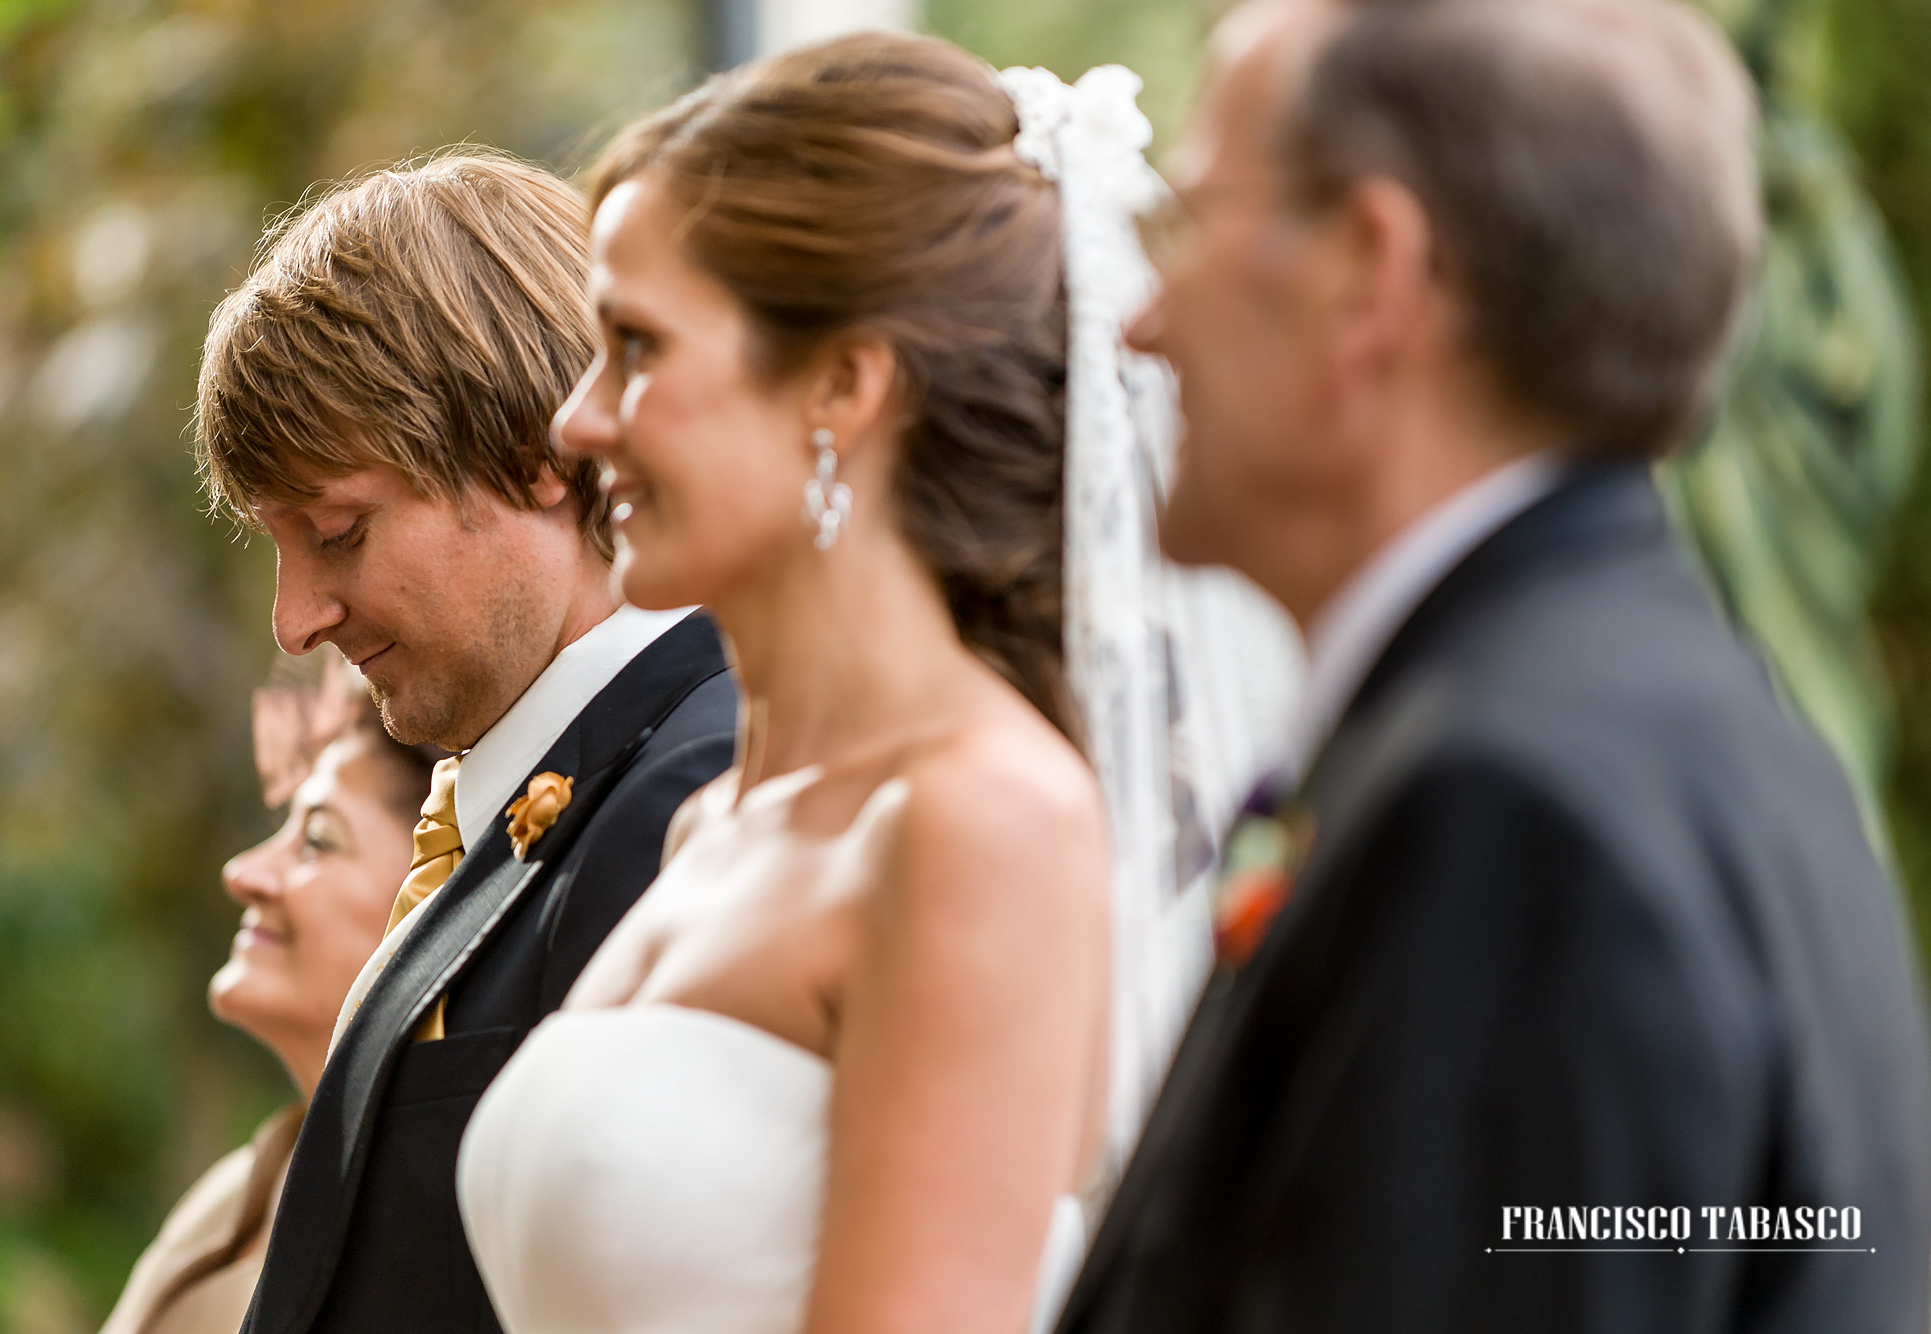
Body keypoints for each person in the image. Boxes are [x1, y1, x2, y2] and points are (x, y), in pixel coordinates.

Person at [1051, 1, 1931, 1332]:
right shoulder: (1705, 737)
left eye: (1183, 221)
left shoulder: (1513, 813)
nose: (1137, 325)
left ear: (1369, 273)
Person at [452, 32, 1287, 1334]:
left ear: (842, 384)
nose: (577, 418)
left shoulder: (979, 820)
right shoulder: (713, 822)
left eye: (637, 346)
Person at [192, 152, 739, 1334]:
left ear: (535, 454)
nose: (294, 620)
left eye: (338, 530)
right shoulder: (545, 794)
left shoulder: (688, 797)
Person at [100, 657, 432, 1334]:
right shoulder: (231, 1205)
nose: (243, 873)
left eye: (317, 840)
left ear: (431, 897)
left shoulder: (452, 1223)